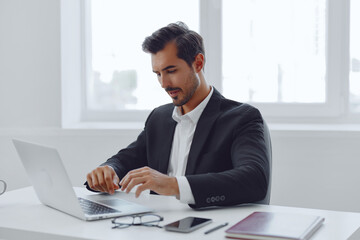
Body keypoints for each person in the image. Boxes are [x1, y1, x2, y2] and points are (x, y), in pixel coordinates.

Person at [86, 22, 270, 209]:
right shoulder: (159, 118)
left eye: (171, 71)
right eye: (158, 74)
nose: (164, 83)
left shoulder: (242, 118)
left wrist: (173, 185)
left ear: (198, 63)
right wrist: (109, 170)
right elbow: (128, 158)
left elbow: (254, 179)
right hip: (158, 226)